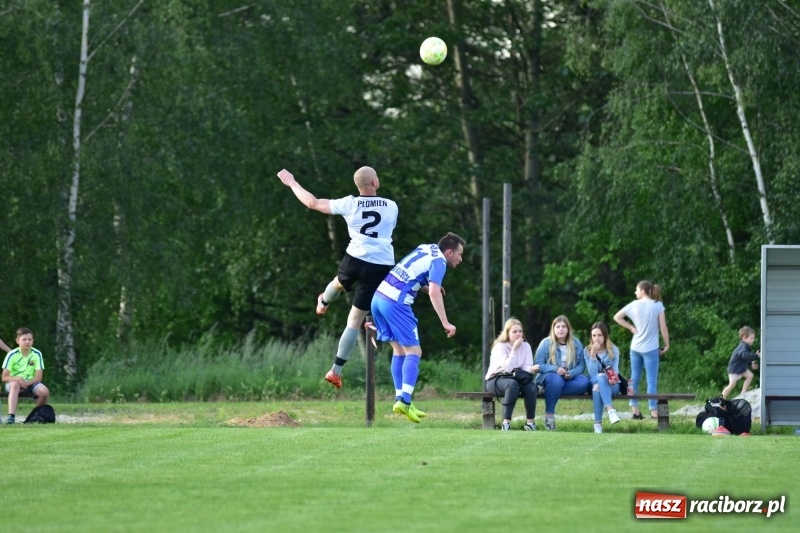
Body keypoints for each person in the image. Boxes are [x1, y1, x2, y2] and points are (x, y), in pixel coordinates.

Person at [277, 167, 399, 390]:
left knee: (338, 283)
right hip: (379, 265)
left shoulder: (349, 203)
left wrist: (292, 182)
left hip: (354, 259)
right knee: (354, 321)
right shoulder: (391, 206)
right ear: (375, 183)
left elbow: (312, 203)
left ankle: (323, 301)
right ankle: (335, 371)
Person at [370, 232, 465, 422]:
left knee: (399, 351)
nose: (460, 259)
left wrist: (428, 287)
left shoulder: (425, 248)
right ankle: (405, 401)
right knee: (414, 352)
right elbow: (434, 293)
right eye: (459, 254)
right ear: (449, 252)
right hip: (395, 303)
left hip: (379, 298)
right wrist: (445, 322)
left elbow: (409, 274)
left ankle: (401, 400)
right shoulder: (439, 262)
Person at [613, 280, 670, 420]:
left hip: (635, 348)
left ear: (643, 291)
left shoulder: (633, 304)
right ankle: (654, 412)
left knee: (634, 379)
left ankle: (635, 411)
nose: (635, 292)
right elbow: (663, 327)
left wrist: (630, 327)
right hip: (651, 348)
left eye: (636, 290)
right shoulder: (658, 305)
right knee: (651, 381)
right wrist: (667, 344)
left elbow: (617, 317)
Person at [534, 315, 590, 430]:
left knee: (585, 382)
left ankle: (549, 390)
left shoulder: (576, 344)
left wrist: (572, 373)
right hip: (549, 377)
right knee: (556, 380)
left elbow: (581, 366)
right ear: (553, 329)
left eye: (564, 326)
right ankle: (549, 415)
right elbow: (539, 365)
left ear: (568, 329)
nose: (561, 329)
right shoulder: (546, 343)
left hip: (568, 378)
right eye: (558, 327)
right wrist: (555, 369)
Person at [485, 318, 540, 431]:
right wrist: (514, 349)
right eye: (514, 331)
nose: (518, 334)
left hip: (516, 378)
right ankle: (506, 423)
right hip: (496, 379)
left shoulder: (526, 346)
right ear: (507, 333)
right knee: (512, 384)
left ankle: (530, 423)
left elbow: (526, 366)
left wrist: (532, 369)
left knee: (531, 387)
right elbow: (507, 368)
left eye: (520, 331)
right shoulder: (500, 346)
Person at [2, 327, 50, 424]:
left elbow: (38, 377)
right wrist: (18, 378)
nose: (27, 342)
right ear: (17, 341)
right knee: (15, 385)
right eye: (24, 339)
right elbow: (4, 377)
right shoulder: (12, 354)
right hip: (14, 383)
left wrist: (27, 383)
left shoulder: (37, 354)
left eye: (29, 339)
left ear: (33, 341)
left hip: (31, 382)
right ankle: (11, 417)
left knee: (44, 391)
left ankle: (35, 416)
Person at [584, 322, 622, 433]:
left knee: (597, 387)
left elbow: (615, 370)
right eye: (594, 335)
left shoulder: (613, 350)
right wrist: (592, 355)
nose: (596, 338)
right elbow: (592, 374)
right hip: (595, 380)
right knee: (599, 379)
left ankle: (597, 425)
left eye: (599, 335)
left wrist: (612, 378)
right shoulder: (587, 350)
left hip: (612, 384)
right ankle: (610, 410)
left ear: (605, 336)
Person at [721, 326, 760, 399]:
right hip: (734, 368)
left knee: (750, 375)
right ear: (744, 337)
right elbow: (744, 355)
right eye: (751, 338)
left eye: (753, 338)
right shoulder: (743, 346)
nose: (753, 340)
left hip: (741, 368)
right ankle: (721, 398)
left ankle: (743, 393)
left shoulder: (745, 346)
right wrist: (756, 355)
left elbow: (743, 358)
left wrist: (750, 364)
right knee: (732, 384)